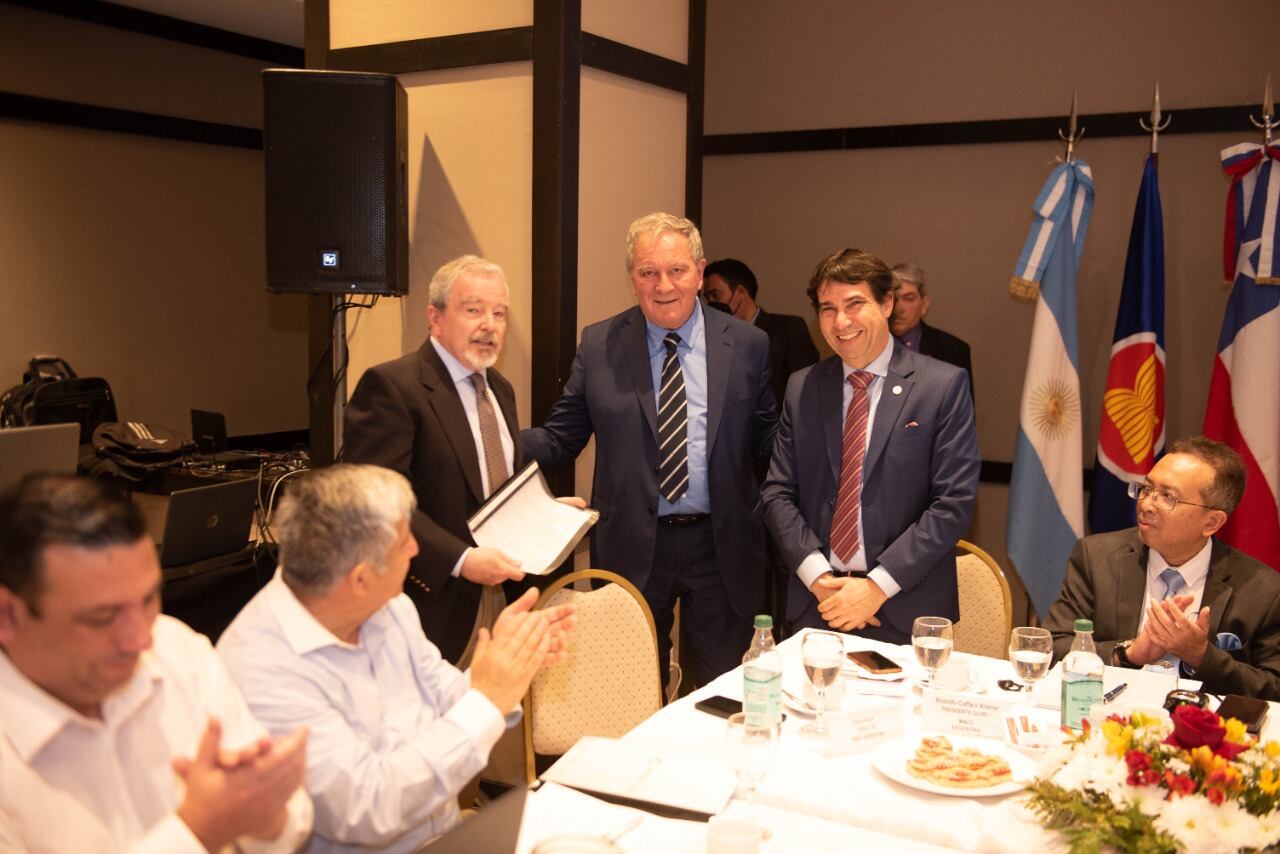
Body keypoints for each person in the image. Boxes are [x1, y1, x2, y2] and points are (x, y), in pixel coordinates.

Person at [218, 464, 575, 852]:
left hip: (443, 835)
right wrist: (486, 699)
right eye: (403, 542)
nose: (416, 549)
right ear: (359, 579)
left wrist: (507, 664)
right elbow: (369, 807)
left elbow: (445, 695)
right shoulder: (262, 672)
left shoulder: (386, 608)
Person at [523, 212, 778, 684]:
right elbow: (560, 439)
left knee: (724, 695)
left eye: (677, 270)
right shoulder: (600, 344)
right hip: (634, 546)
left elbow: (769, 440)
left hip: (722, 547)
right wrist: (488, 443)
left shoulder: (748, 344)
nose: (664, 285)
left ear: (700, 272)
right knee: (632, 692)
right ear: (633, 278)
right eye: (648, 272)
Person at [0, 474, 313, 853]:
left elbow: (288, 821)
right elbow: (210, 826)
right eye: (103, 617)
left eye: (148, 600)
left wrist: (265, 814)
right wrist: (198, 831)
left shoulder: (176, 648)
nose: (141, 639)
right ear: (8, 616)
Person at [762, 248, 979, 642]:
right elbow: (777, 492)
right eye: (828, 308)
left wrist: (876, 587)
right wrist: (817, 575)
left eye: (854, 304)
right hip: (818, 605)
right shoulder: (803, 386)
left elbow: (953, 504)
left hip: (905, 610)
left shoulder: (942, 386)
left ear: (886, 303)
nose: (840, 321)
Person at [344, 255, 527, 666]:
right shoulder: (392, 387)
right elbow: (375, 505)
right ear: (435, 317)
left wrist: (542, 511)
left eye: (499, 313)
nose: (489, 324)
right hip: (429, 607)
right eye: (473, 310)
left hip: (500, 597)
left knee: (491, 721)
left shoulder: (500, 388)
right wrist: (462, 560)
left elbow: (493, 484)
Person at [1043, 437, 1280, 700]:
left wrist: (1201, 656)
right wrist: (1127, 654)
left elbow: (1274, 686)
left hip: (1201, 731)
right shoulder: (1096, 558)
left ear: (1212, 522)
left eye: (1168, 497)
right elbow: (1053, 648)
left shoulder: (1263, 590)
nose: (1145, 505)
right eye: (1146, 488)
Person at [704, 258, 820, 414]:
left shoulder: (788, 329)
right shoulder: (710, 338)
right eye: (707, 298)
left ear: (740, 292)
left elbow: (806, 390)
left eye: (715, 295)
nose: (711, 303)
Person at [888, 263, 973, 399]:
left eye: (908, 298)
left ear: (924, 304)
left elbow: (963, 414)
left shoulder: (953, 350)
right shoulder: (867, 346)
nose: (899, 308)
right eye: (894, 299)